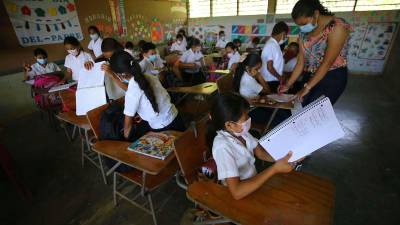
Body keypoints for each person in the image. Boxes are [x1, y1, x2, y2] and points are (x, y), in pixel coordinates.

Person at [207, 93, 297, 200]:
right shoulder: (222, 147)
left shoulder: (241, 133)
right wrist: (274, 169)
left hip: (253, 182)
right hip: (241, 194)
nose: (249, 119)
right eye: (245, 118)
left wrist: (289, 156)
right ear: (229, 125)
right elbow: (237, 192)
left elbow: (261, 153)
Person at [279, 0, 352, 106]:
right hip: (309, 74)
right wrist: (288, 84)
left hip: (331, 76)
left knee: (316, 110)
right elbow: (300, 62)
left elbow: (327, 63)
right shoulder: (304, 33)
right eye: (299, 25)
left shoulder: (337, 26)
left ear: (316, 14)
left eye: (304, 24)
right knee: (303, 106)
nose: (302, 28)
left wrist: (308, 87)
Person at [109, 51, 186, 140]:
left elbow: (127, 128)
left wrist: (125, 139)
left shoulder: (132, 91)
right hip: (176, 118)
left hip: (163, 130)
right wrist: (145, 114)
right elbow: (157, 99)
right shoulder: (149, 77)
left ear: (120, 75)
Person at [232, 53, 274, 125]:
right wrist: (259, 76)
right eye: (256, 69)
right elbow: (267, 91)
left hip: (245, 108)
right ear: (248, 68)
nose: (258, 71)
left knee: (275, 112)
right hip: (250, 112)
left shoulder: (240, 72)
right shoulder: (248, 80)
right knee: (277, 116)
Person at [260, 21, 289, 92]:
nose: (285, 37)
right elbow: (269, 67)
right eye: (285, 35)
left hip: (273, 79)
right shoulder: (271, 45)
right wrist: (280, 78)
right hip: (270, 81)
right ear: (283, 33)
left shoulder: (275, 44)